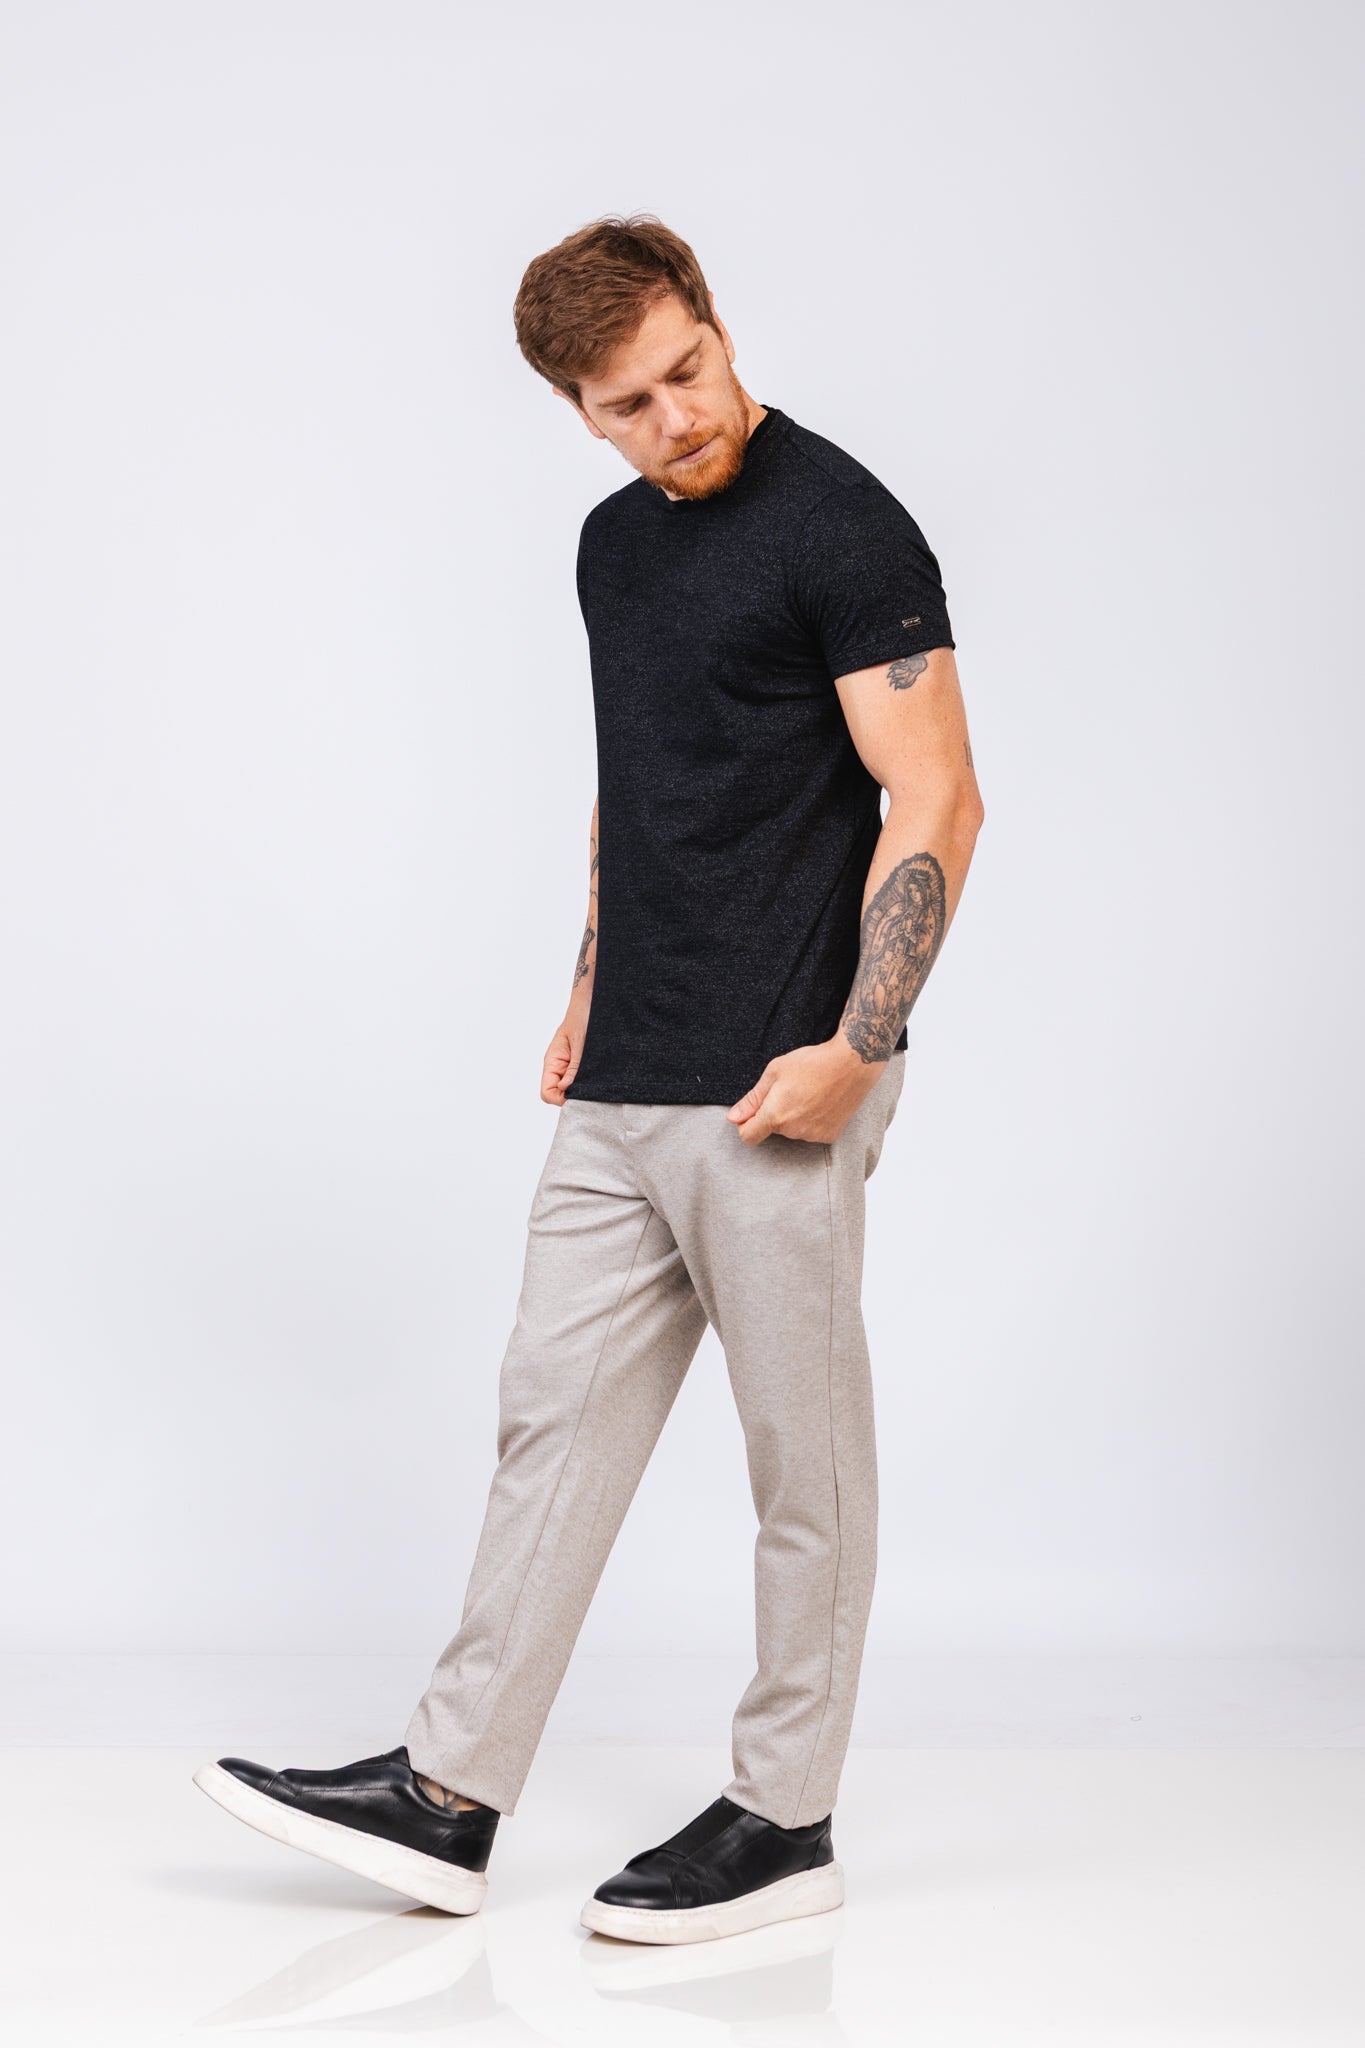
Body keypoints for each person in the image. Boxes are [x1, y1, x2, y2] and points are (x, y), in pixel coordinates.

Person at [194, 214, 984, 1947]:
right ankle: (448, 1795)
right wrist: (586, 982)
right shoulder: (611, 547)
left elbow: (936, 797)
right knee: (547, 1428)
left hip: (781, 1068)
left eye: (687, 372)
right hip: (630, 1061)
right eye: (628, 404)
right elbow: (652, 778)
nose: (675, 420)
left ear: (715, 322)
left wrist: (856, 1048)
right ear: (576, 411)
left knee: (801, 1466)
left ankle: (785, 1816)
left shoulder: (843, 525)